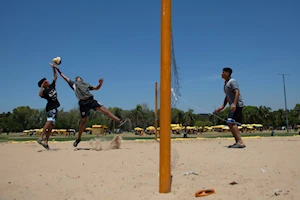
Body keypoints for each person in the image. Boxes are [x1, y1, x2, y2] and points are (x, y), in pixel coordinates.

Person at [54, 66, 128, 147]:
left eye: (79, 78)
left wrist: (100, 83)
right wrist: (58, 70)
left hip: (91, 100)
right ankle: (78, 139)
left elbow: (96, 88)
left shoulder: (86, 84)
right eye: (77, 78)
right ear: (76, 80)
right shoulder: (74, 84)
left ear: (81, 79)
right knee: (83, 122)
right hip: (83, 103)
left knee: (104, 110)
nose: (78, 78)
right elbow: (64, 77)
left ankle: (118, 121)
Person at [216, 67, 246, 148]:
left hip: (237, 105)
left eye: (222, 72)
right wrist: (222, 107)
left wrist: (234, 104)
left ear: (227, 73)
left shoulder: (232, 82)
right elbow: (227, 96)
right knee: (231, 123)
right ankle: (237, 142)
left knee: (231, 122)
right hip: (233, 105)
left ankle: (240, 142)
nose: (221, 74)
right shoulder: (226, 83)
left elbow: (237, 92)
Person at [37, 64, 60, 150]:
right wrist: (42, 87)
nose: (48, 81)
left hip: (55, 107)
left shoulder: (52, 86)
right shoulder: (45, 91)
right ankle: (41, 137)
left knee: (51, 126)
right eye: (46, 81)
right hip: (50, 108)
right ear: (44, 83)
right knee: (49, 121)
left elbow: (55, 77)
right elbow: (40, 95)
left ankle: (46, 142)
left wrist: (54, 69)